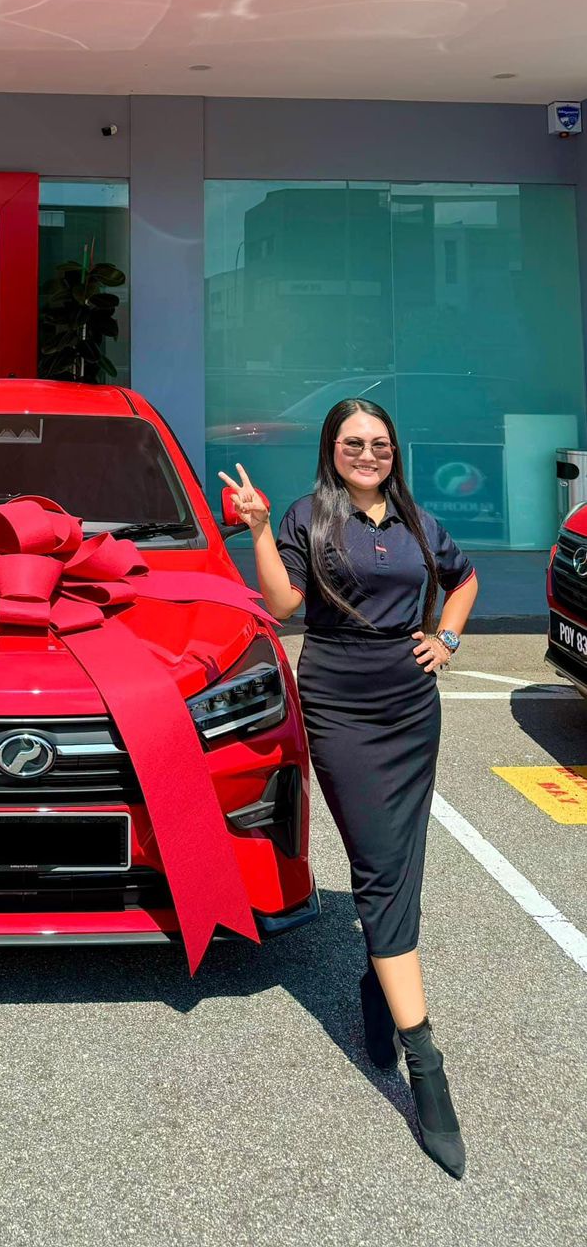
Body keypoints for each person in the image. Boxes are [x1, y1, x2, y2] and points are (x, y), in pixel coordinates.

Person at [220, 397, 478, 1180]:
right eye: (353, 443)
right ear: (331, 450)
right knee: (377, 864)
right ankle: (425, 1063)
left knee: (401, 859)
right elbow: (282, 607)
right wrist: (258, 531)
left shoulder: (417, 522)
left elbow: (463, 579)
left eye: (380, 443)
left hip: (412, 708)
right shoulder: (307, 518)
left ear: (396, 452)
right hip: (339, 705)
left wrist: (447, 638)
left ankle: (377, 984)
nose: (368, 454)